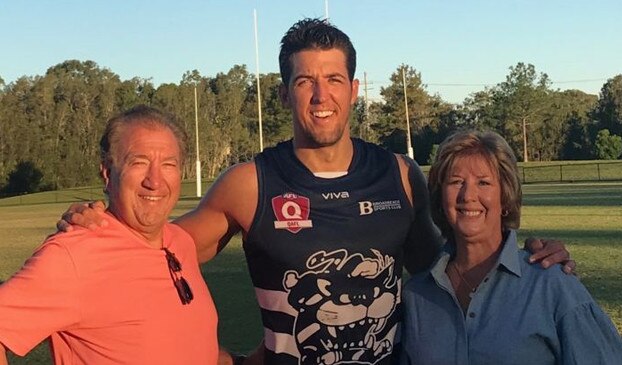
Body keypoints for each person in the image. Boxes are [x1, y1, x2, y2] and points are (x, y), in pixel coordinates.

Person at [58, 19, 573, 365]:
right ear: (284, 93)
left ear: (353, 88)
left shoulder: (399, 175)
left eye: (334, 79)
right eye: (305, 81)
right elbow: (158, 250)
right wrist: (98, 224)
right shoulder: (249, 183)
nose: (321, 96)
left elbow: (450, 269)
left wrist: (530, 259)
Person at [0, 106, 219, 364]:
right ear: (107, 171)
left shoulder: (180, 242)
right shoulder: (75, 254)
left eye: (168, 164)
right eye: (139, 162)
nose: (155, 181)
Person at [399, 130, 622, 365]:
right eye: (456, 181)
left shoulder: (552, 284)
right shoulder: (416, 296)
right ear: (440, 197)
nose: (468, 195)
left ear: (505, 197)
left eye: (483, 182)